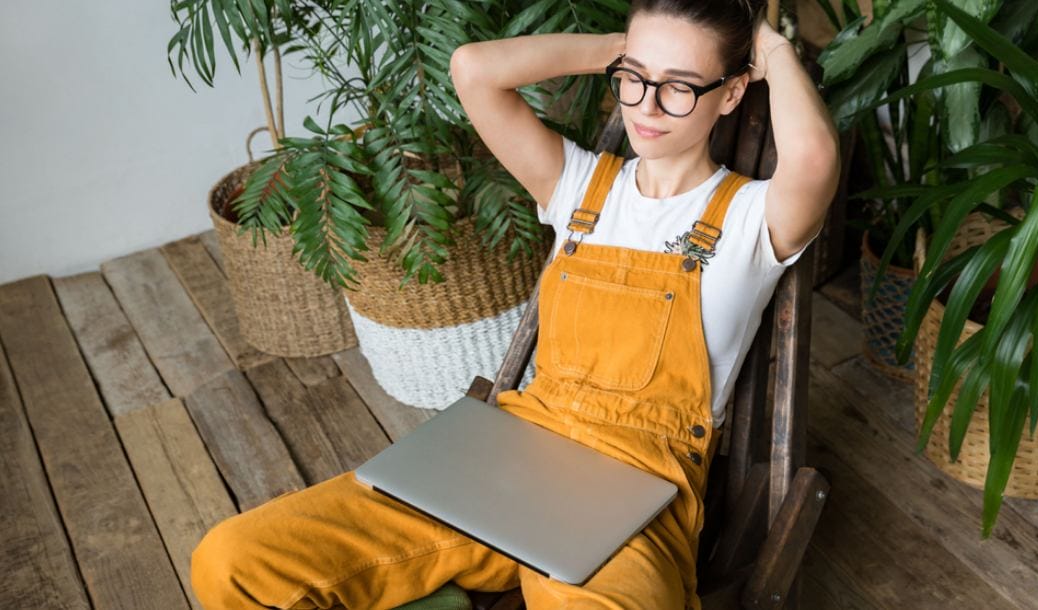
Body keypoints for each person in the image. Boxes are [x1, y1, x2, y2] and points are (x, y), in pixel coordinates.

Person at [190, 0, 839, 608]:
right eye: (633, 78)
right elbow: (472, 69)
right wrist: (628, 46)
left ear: (729, 92)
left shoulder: (747, 220)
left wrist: (772, 51)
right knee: (231, 561)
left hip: (637, 492)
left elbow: (811, 155)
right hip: (511, 457)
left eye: (679, 85)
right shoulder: (580, 186)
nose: (646, 104)